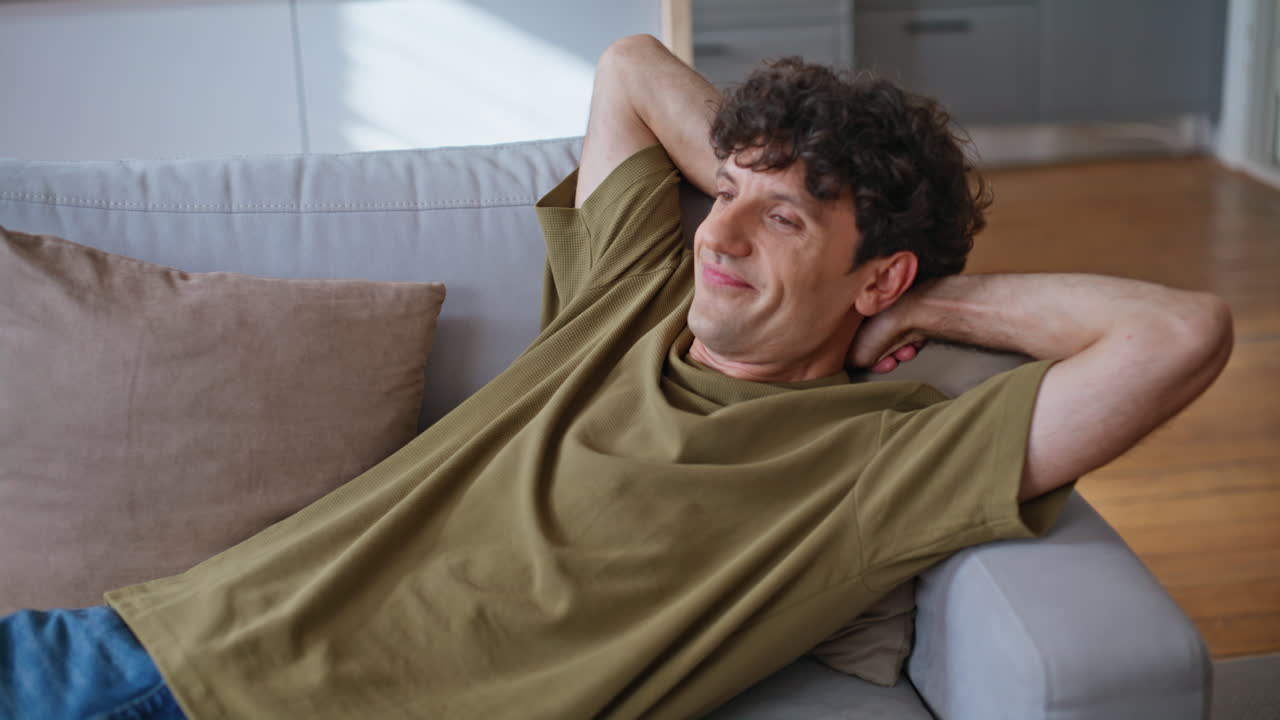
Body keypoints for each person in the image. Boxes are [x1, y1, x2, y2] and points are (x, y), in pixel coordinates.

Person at [0, 34, 1232, 720]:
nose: (720, 234)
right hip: (132, 649)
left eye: (781, 223)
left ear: (876, 277)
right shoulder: (634, 291)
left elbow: (1179, 332)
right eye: (724, 196)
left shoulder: (876, 463)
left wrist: (925, 300)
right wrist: (766, 173)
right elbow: (632, 66)